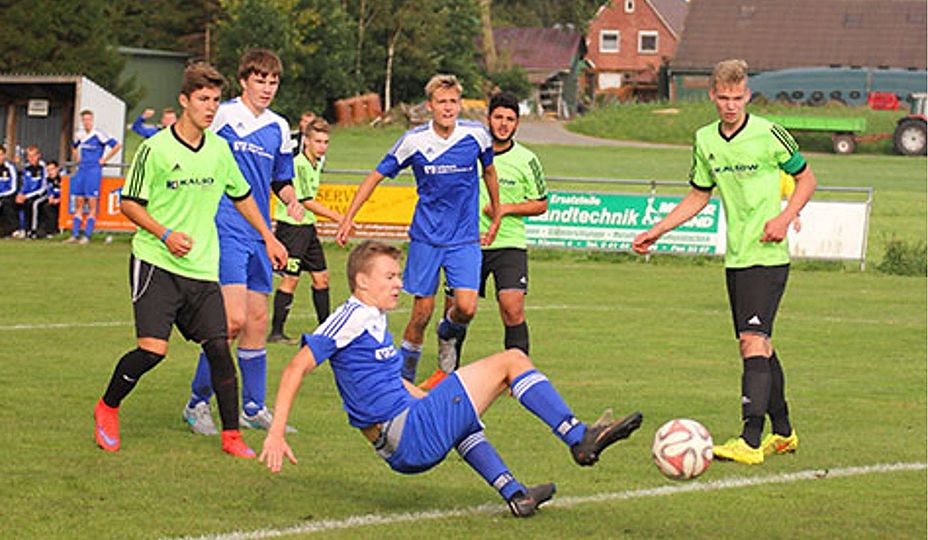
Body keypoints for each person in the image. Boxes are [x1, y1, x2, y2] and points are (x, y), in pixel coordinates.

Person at [259, 241, 643, 517]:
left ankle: (517, 495)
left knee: (462, 417)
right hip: (408, 435)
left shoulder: (372, 320)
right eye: (390, 276)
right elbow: (296, 367)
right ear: (361, 282)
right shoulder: (351, 316)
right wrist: (276, 431)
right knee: (513, 360)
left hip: (402, 440)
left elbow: (394, 384)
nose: (398, 283)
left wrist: (430, 394)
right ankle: (579, 438)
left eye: (399, 275)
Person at [92, 62, 288, 458]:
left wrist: (268, 236)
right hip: (157, 264)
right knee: (152, 352)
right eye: (203, 100)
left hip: (201, 268)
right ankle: (107, 407)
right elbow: (128, 203)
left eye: (215, 100)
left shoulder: (218, 150)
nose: (210, 108)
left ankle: (231, 435)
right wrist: (165, 234)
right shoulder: (155, 148)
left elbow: (242, 194)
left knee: (219, 346)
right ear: (184, 101)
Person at [632, 59, 817, 465]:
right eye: (724, 98)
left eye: (738, 98)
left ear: (747, 95)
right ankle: (783, 434)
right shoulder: (705, 141)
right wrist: (658, 229)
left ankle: (750, 440)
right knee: (760, 345)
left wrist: (785, 218)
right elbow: (699, 195)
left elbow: (807, 178)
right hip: (736, 258)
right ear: (712, 96)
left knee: (752, 342)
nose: (731, 105)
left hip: (768, 257)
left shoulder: (769, 134)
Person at [335, 73, 502, 392]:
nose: (448, 107)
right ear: (430, 106)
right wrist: (348, 217)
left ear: (459, 104)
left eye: (453, 101)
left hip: (464, 238)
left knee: (466, 307)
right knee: (421, 313)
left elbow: (490, 172)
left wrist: (497, 212)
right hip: (426, 238)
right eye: (442, 102)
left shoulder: (477, 135)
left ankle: (447, 331)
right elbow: (375, 176)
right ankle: (403, 383)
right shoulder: (413, 141)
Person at [183, 48, 305, 436]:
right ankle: (197, 403)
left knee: (255, 321)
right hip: (223, 229)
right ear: (244, 81)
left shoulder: (280, 127)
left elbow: (280, 178)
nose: (267, 88)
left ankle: (252, 407)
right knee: (231, 320)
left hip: (261, 233)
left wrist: (290, 198)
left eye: (273, 81)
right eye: (260, 80)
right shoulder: (221, 115)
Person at [432, 92, 548, 384]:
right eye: (498, 117)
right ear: (488, 119)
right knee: (459, 308)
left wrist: (505, 208)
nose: (504, 124)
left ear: (517, 124)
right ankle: (447, 373)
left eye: (510, 119)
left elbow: (541, 203)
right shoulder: (467, 151)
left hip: (509, 243)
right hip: (466, 242)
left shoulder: (527, 159)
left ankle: (520, 375)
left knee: (512, 307)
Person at [268, 117, 342, 344]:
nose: (322, 146)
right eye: (318, 141)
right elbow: (306, 200)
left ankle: (325, 330)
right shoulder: (298, 163)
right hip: (292, 229)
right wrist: (338, 217)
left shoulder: (318, 162)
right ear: (306, 141)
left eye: (326, 142)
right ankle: (276, 332)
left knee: (322, 278)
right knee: (291, 280)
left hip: (307, 229)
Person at [67, 109, 121, 244]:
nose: (86, 122)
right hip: (82, 169)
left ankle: (87, 235)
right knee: (79, 202)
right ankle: (74, 234)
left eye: (88, 119)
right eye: (84, 120)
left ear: (92, 120)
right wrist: (77, 157)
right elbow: (73, 147)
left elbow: (116, 145)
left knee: (92, 203)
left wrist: (104, 159)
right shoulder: (79, 135)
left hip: (93, 171)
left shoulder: (99, 134)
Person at [14, 145, 49, 238]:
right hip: (29, 194)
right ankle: (22, 229)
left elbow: (44, 187)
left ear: (39, 155)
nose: (32, 158)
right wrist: (21, 194)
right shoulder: (27, 168)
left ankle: (33, 230)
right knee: (17, 203)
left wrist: (27, 196)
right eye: (29, 156)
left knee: (34, 204)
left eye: (34, 155)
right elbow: (24, 185)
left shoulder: (43, 167)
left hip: (42, 194)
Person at [33, 160, 63, 238]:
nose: (50, 172)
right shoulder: (48, 180)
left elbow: (67, 193)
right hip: (54, 201)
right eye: (48, 170)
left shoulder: (64, 178)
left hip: (64, 202)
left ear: (57, 169)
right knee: (43, 205)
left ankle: (54, 231)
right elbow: (50, 192)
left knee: (49, 208)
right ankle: (39, 230)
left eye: (52, 169)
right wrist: (51, 198)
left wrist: (59, 199)